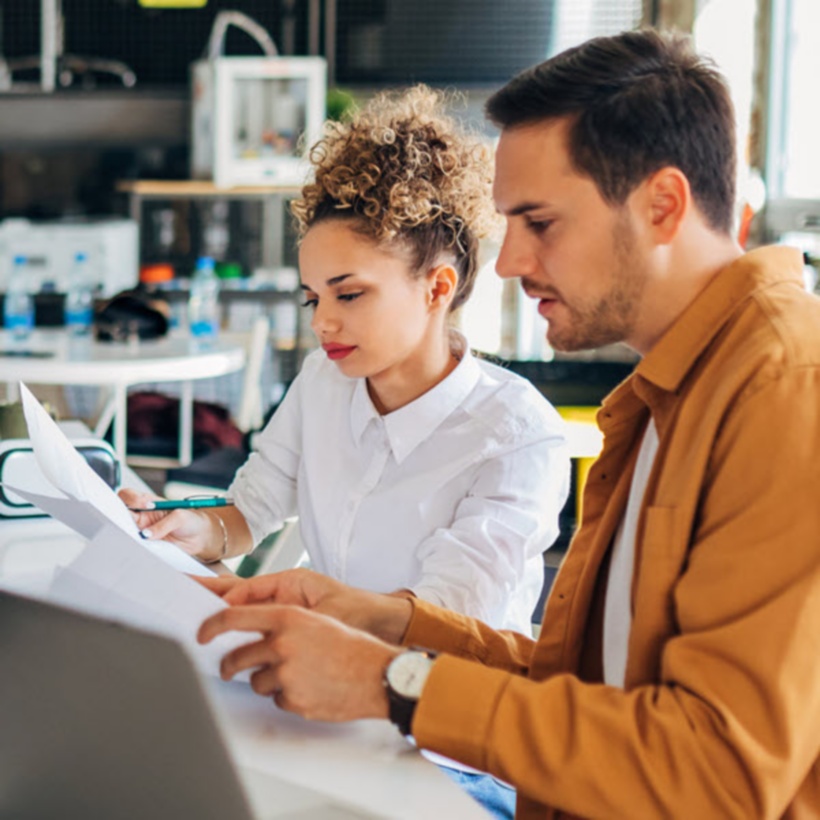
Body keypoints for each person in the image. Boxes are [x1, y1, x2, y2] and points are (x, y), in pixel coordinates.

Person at [194, 28, 820, 819]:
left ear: (662, 206)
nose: (511, 261)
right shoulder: (670, 392)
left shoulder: (785, 389)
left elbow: (718, 771)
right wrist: (380, 619)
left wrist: (391, 679)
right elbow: (590, 690)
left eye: (541, 222)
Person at [121, 85, 569, 638]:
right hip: (321, 671)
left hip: (437, 698)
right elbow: (251, 509)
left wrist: (275, 604)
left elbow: (447, 620)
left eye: (349, 294)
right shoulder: (323, 381)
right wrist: (192, 528)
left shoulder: (517, 436)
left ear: (437, 288)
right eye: (313, 298)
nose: (321, 323)